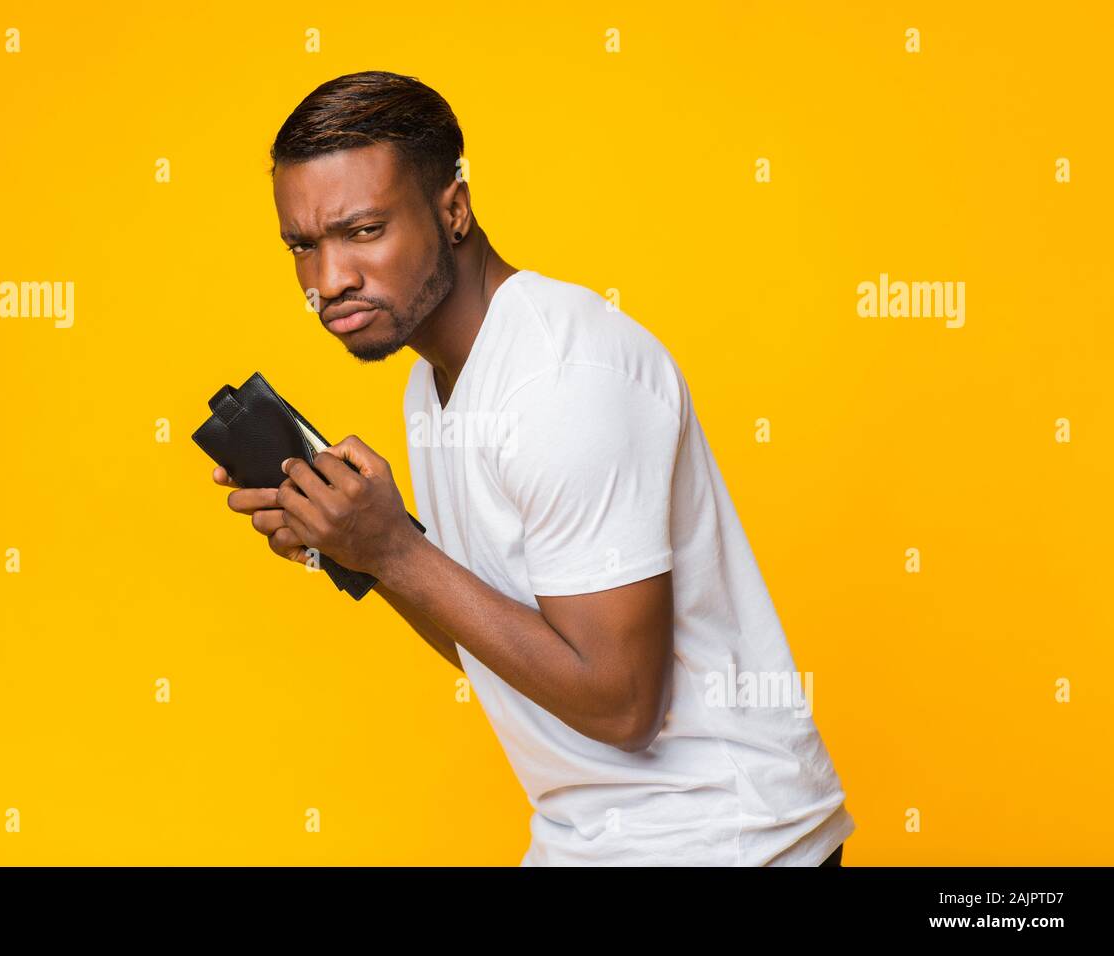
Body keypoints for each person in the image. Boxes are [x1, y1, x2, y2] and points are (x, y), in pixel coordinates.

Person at [214, 70, 855, 866]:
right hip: (593, 841)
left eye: (364, 230)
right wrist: (360, 555)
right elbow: (510, 655)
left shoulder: (565, 377)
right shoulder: (434, 380)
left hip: (725, 839)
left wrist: (393, 549)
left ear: (454, 209)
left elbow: (621, 705)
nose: (327, 280)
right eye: (302, 246)